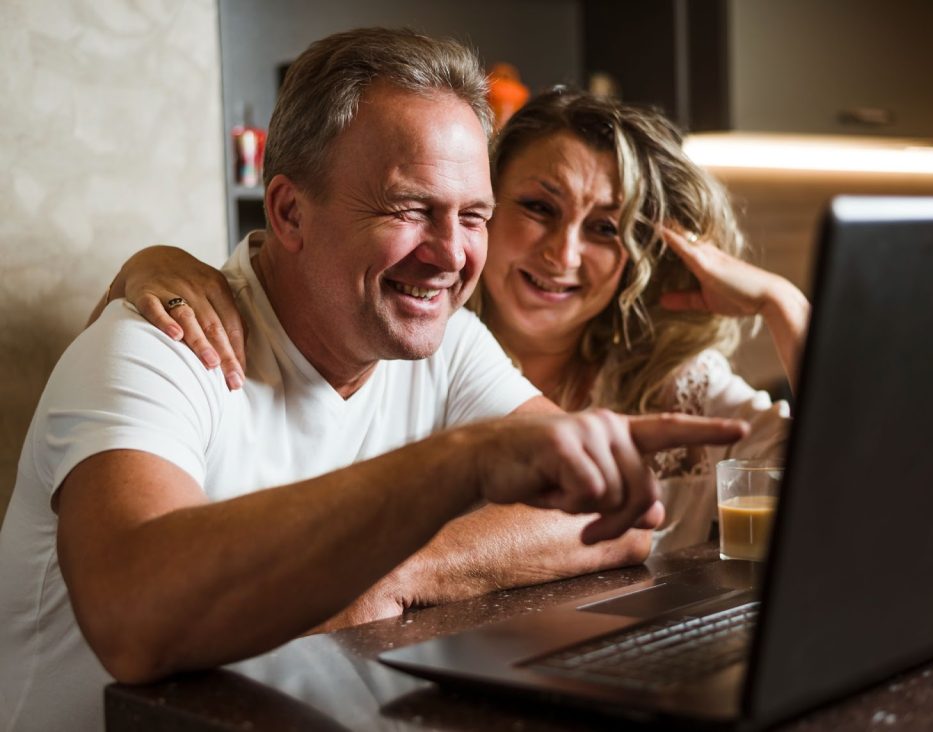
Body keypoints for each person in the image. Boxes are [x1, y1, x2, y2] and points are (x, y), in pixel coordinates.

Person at [0, 29, 748, 732]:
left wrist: (398, 569)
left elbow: (622, 509)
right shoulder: (156, 346)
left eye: (474, 216)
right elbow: (134, 622)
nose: (451, 254)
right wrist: (461, 463)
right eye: (411, 209)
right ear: (289, 212)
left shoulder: (452, 340)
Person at [103, 91, 808, 570]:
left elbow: (846, 474)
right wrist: (142, 268)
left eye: (604, 229)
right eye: (537, 208)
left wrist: (784, 305)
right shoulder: (398, 337)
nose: (563, 255)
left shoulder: (674, 384)